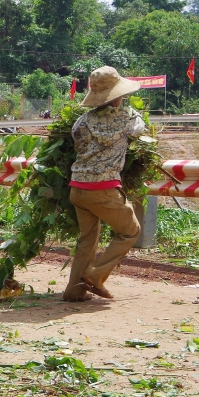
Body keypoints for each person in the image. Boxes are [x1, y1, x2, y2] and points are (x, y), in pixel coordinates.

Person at [63, 66, 146, 302]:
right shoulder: (127, 118)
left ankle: (74, 290)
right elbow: (140, 131)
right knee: (130, 231)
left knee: (87, 239)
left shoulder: (82, 121)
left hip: (77, 187)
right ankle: (96, 276)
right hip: (103, 189)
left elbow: (75, 139)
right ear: (117, 96)